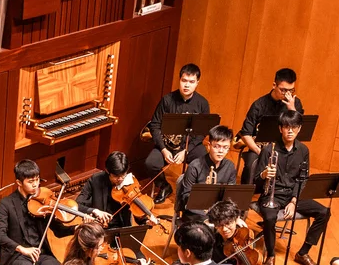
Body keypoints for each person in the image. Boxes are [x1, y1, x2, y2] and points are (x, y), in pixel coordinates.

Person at [253, 110, 327, 265]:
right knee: (270, 217)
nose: (290, 131)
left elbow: (302, 179)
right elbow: (256, 182)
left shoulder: (303, 151)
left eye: (294, 127)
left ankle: (303, 253)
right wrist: (264, 174)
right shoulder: (269, 150)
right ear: (280, 128)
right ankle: (270, 255)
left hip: (293, 196)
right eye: (286, 127)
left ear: (299, 129)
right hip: (271, 194)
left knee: (324, 212)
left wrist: (294, 201)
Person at [144, 62, 211, 193]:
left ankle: (189, 192)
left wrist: (186, 150)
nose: (187, 85)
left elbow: (202, 132)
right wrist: (163, 149)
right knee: (150, 163)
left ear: (197, 82)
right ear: (179, 80)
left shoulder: (202, 103)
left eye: (191, 82)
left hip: (190, 146)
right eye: (184, 80)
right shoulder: (167, 100)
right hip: (167, 145)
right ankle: (164, 186)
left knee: (204, 163)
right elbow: (155, 125)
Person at [236, 67, 299, 179]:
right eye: (283, 90)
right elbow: (246, 133)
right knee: (250, 165)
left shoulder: (295, 103)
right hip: (260, 148)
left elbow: (298, 129)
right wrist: (259, 151)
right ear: (274, 85)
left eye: (291, 90)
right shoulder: (259, 105)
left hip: (285, 147)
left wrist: (292, 109)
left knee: (297, 163)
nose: (287, 94)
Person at [174, 125, 238, 225]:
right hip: (195, 213)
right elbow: (186, 197)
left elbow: (230, 197)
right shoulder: (195, 166)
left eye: (225, 147)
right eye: (217, 146)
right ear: (209, 146)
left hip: (219, 213)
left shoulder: (230, 166)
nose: (221, 151)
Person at [75, 151, 141, 232]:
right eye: (116, 176)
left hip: (121, 229)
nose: (120, 179)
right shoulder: (95, 180)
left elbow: (137, 210)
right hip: (97, 228)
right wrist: (95, 211)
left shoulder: (130, 183)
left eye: (123, 174)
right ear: (107, 171)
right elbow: (77, 205)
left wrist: (146, 221)